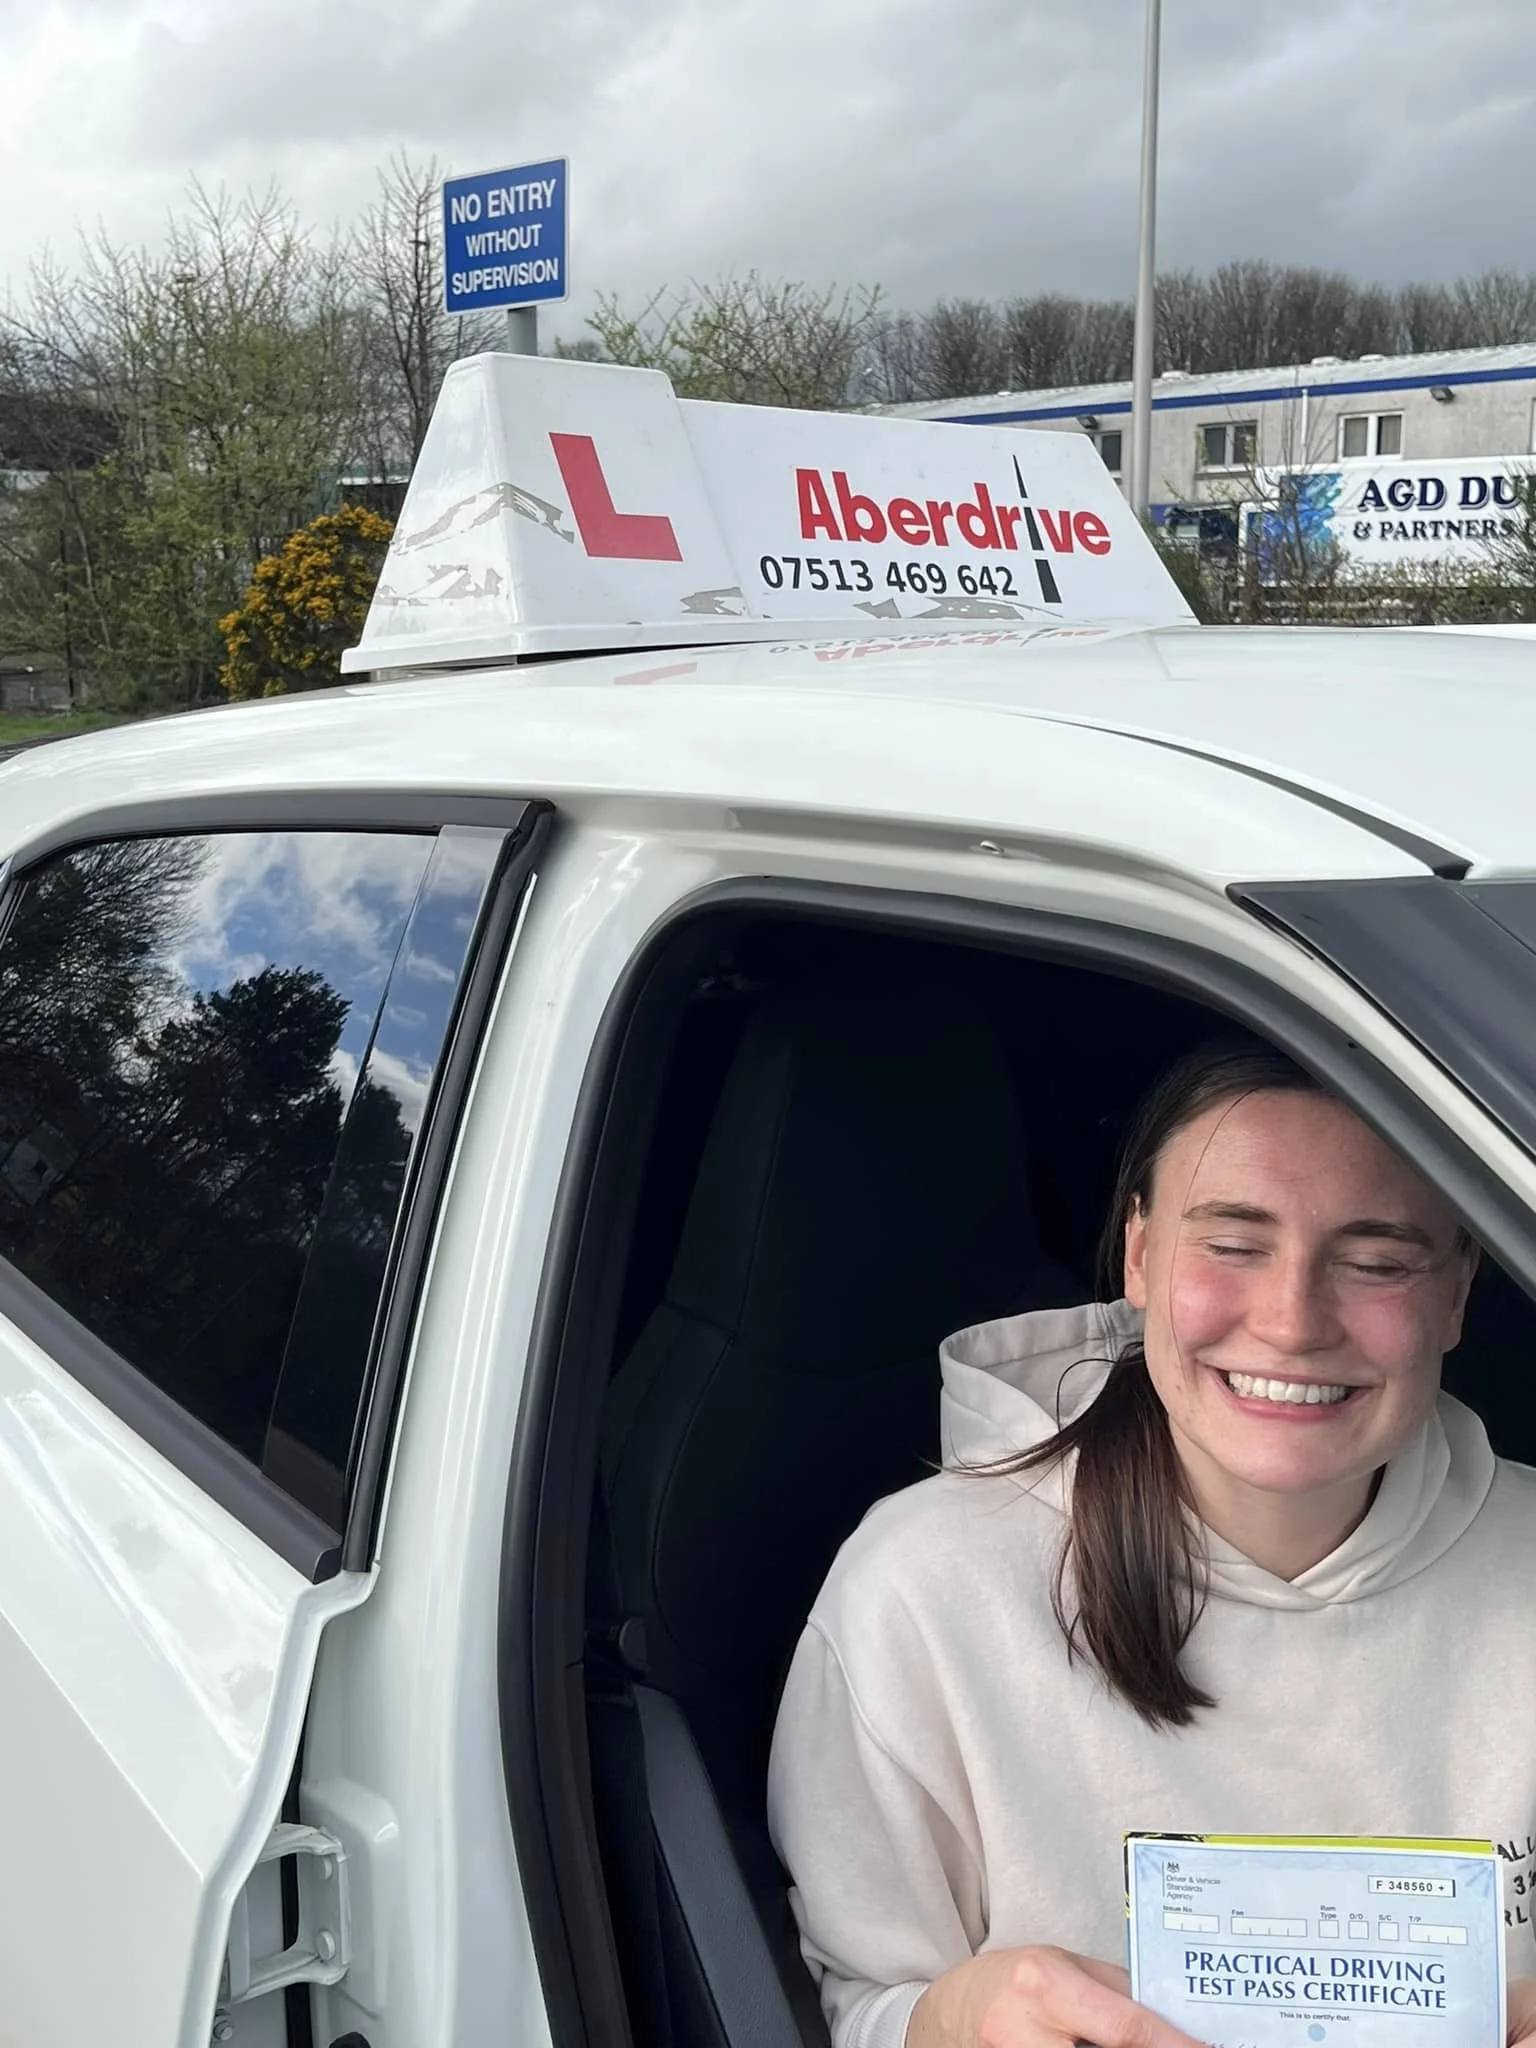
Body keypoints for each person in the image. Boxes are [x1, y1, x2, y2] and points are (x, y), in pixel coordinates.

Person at [766, 1040, 1536, 2048]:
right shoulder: (922, 1589)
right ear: (1139, 1253)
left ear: (1459, 1290)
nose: (1291, 1320)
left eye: (1377, 1260)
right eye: (1232, 1243)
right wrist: (952, 2015)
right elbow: (862, 2003)